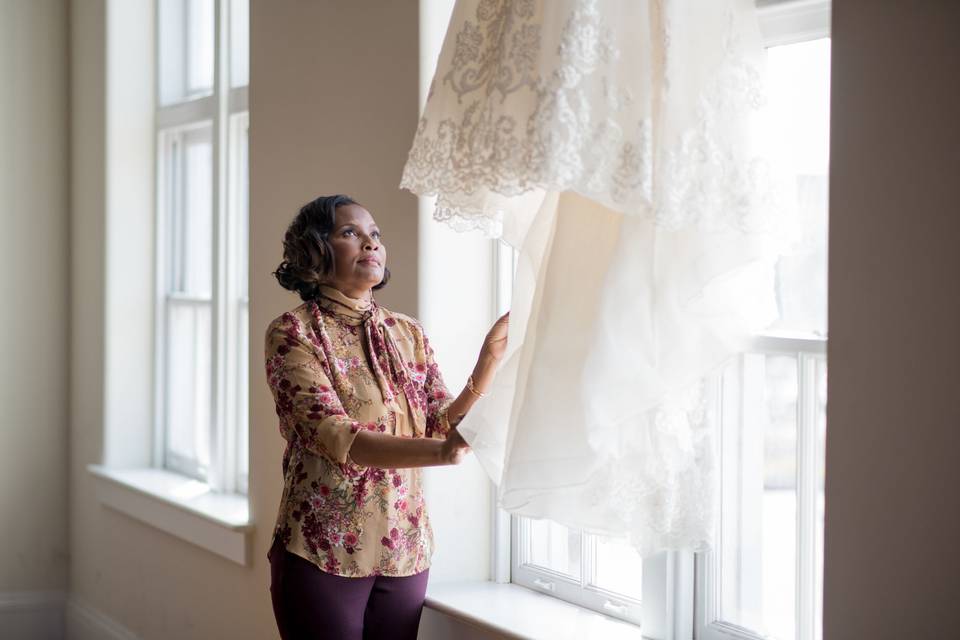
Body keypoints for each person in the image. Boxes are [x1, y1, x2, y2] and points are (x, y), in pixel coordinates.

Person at [265, 194, 509, 640]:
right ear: (316, 250)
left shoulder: (407, 331)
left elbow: (439, 422)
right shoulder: (292, 332)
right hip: (324, 549)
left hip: (405, 550)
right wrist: (443, 452)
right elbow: (337, 437)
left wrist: (487, 363)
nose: (371, 244)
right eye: (350, 233)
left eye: (375, 234)